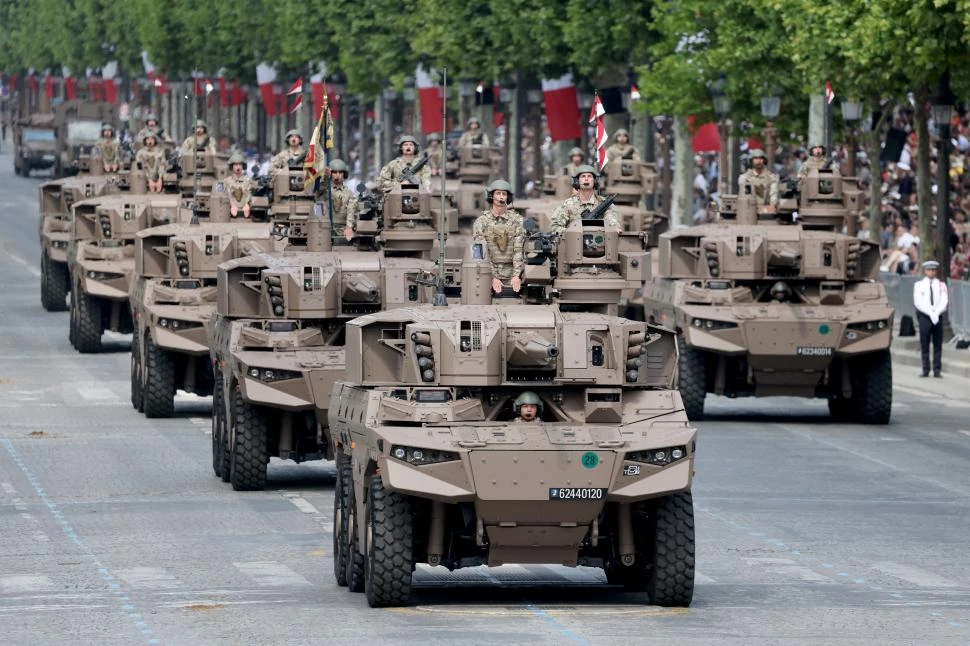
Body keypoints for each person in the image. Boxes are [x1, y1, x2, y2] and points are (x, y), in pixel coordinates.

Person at [472, 179, 526, 294]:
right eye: (498, 193)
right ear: (491, 196)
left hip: (513, 276)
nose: (501, 197)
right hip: (487, 275)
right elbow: (480, 254)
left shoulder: (517, 220)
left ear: (508, 197)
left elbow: (518, 250)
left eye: (504, 194)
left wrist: (516, 276)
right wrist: (492, 277)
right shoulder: (481, 222)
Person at [550, 166, 621, 233]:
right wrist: (572, 233)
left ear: (595, 181)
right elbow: (555, 227)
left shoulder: (605, 204)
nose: (586, 179)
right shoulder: (567, 205)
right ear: (577, 181)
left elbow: (612, 224)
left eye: (589, 176)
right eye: (583, 176)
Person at [913, 260, 948, 377]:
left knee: (937, 343)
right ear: (925, 271)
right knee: (925, 343)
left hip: (937, 316)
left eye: (933, 270)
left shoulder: (941, 285)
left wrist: (936, 312)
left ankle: (937, 369)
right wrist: (930, 312)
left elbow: (944, 300)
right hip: (925, 316)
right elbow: (918, 302)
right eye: (929, 270)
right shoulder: (919, 285)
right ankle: (925, 369)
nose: (931, 272)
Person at [317, 159, 358, 241]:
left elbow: (351, 211)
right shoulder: (324, 190)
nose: (337, 175)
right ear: (330, 174)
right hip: (323, 228)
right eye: (334, 172)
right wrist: (325, 177)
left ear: (344, 174)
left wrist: (349, 227)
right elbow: (318, 191)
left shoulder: (349, 193)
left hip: (342, 231)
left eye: (340, 172)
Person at [224, 153, 254, 218]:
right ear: (232, 166)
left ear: (243, 166)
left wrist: (247, 204)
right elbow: (225, 196)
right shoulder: (226, 181)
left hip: (246, 211)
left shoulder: (248, 181)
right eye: (236, 165)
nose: (238, 167)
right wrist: (232, 205)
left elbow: (251, 194)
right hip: (229, 212)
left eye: (240, 164)